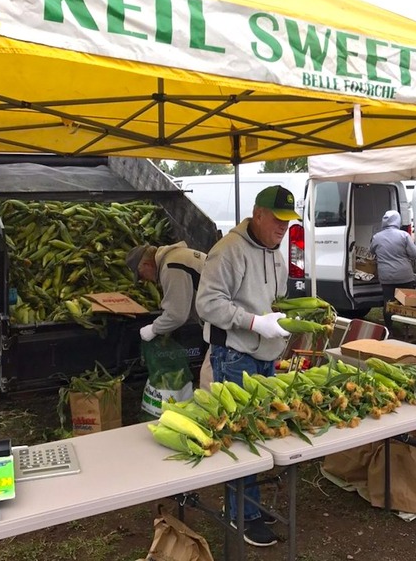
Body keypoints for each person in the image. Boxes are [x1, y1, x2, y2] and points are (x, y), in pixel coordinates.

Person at [195, 185, 298, 548]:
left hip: (265, 354)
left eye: (289, 221)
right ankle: (242, 514)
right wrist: (253, 323)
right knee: (241, 435)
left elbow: (274, 298)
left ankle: (248, 505)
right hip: (234, 354)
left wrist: (289, 320)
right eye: (278, 219)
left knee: (259, 430)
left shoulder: (275, 253)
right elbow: (206, 304)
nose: (284, 227)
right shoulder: (228, 251)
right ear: (257, 214)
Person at [125, 241, 207, 342]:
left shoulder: (172, 266)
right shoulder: (175, 257)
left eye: (141, 275)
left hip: (225, 318)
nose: (144, 280)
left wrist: (153, 329)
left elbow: (177, 315)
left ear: (147, 265)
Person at [369, 209, 416, 330]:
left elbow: (371, 251)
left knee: (388, 302)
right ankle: (408, 328)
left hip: (386, 277)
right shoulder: (404, 235)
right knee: (406, 303)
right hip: (404, 275)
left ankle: (389, 329)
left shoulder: (377, 237)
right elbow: (414, 254)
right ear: (398, 221)